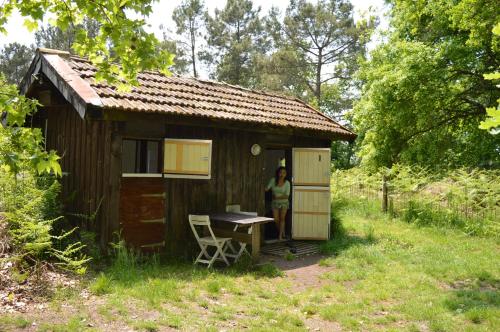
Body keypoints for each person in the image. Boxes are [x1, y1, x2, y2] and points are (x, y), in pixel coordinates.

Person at [265, 166, 290, 241]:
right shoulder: (273, 180)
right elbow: (267, 188)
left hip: (284, 203)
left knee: (282, 219)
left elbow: (286, 196)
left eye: (284, 173)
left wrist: (277, 197)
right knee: (276, 219)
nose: (282, 174)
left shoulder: (287, 183)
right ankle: (282, 233)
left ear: (286, 174)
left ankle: (280, 236)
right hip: (275, 203)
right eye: (280, 173)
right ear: (277, 173)